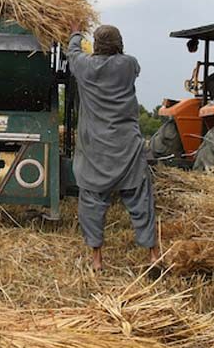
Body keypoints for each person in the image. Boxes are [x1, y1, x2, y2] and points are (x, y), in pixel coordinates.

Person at [67, 21, 159, 273]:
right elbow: (131, 65)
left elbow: (73, 53)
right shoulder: (129, 65)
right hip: (127, 147)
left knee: (92, 202)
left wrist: (75, 33)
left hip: (95, 150)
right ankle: (153, 254)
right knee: (140, 199)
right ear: (119, 45)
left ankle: (97, 260)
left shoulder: (84, 66)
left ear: (95, 46)